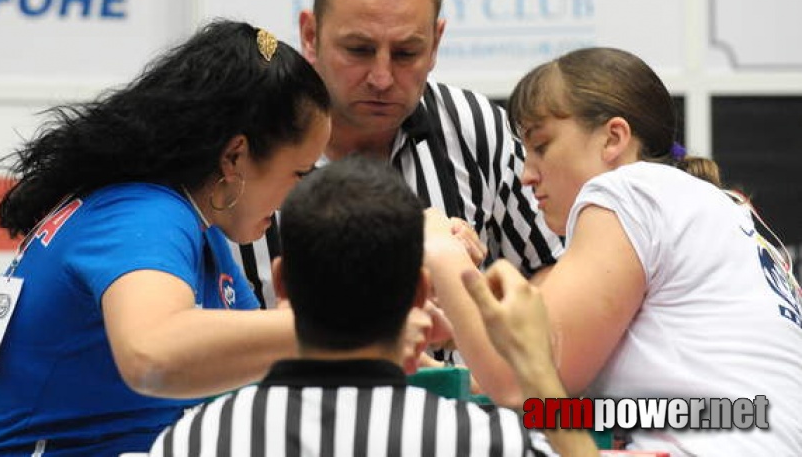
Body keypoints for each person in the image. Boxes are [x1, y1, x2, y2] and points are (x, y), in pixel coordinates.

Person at [0, 20, 332, 456]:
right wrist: (342, 327)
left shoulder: (195, 229)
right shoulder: (144, 215)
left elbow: (268, 373)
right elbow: (151, 351)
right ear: (235, 156)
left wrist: (403, 356)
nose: (299, 197)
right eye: (299, 174)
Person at [424, 47, 802, 455]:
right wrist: (461, 344)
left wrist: (441, 253)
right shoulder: (719, 209)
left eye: (542, 145)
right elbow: (592, 411)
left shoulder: (631, 190)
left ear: (613, 138)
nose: (526, 174)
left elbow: (522, 384)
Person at [149, 156, 597, 457]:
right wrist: (540, 376)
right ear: (421, 294)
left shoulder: (197, 439)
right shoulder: (482, 440)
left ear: (282, 283)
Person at [232, 0, 562, 318]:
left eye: (406, 53)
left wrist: (473, 296)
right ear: (310, 35)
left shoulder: (477, 126)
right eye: (358, 49)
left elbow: (549, 269)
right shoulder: (246, 146)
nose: (382, 77)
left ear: (436, 42)